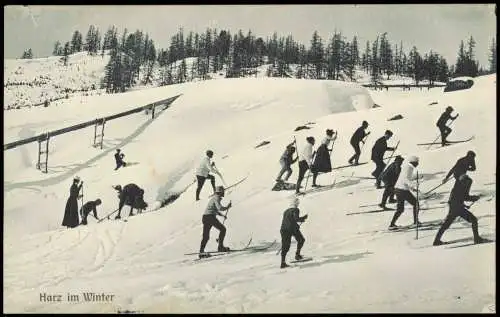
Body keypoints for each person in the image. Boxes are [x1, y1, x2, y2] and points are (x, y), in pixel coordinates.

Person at [433, 172, 487, 245]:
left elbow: (457, 199)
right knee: (474, 220)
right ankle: (477, 239)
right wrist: (475, 198)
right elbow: (465, 197)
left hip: (454, 208)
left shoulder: (458, 186)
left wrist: (464, 205)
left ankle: (436, 241)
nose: (469, 185)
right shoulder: (462, 186)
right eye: (468, 184)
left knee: (446, 224)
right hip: (458, 209)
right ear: (465, 182)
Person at [388, 156, 421, 229]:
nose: (418, 164)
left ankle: (392, 224)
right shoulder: (409, 168)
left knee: (400, 209)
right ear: (413, 162)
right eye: (417, 162)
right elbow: (405, 179)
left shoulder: (407, 167)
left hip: (398, 189)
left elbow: (404, 180)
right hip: (402, 190)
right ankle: (416, 222)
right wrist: (413, 185)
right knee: (416, 204)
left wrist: (412, 188)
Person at [199, 186, 232, 258]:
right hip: (210, 217)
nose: (224, 193)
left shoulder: (214, 198)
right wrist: (227, 207)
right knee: (223, 229)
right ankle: (220, 247)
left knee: (206, 236)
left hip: (206, 217)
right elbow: (219, 208)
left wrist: (222, 215)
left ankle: (201, 251)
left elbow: (214, 210)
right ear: (221, 192)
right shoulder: (216, 198)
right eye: (223, 191)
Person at [280, 197, 308, 269]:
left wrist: (301, 219)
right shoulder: (296, 209)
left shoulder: (286, 211)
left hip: (284, 229)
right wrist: (303, 218)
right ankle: (297, 255)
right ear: (295, 203)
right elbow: (296, 219)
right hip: (291, 229)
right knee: (301, 240)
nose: (298, 204)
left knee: (285, 245)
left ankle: (282, 262)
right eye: (297, 202)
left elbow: (291, 220)